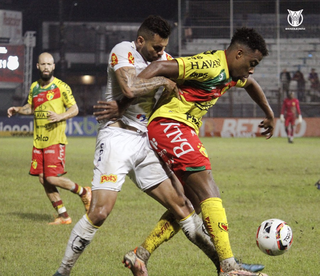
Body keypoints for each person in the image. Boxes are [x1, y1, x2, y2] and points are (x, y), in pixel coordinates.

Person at [54, 15, 256, 276]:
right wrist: (162, 80)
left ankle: (226, 267)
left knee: (184, 206)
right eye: (156, 48)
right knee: (100, 212)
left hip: (145, 140)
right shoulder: (123, 51)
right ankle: (63, 271)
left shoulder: (162, 60)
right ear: (140, 41)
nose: (161, 53)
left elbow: (186, 79)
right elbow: (129, 87)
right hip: (117, 136)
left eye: (163, 48)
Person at [99, 27, 273, 276]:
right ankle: (228, 267)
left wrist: (269, 113)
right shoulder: (209, 64)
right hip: (170, 126)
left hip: (182, 129)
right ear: (238, 54)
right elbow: (159, 68)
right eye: (251, 62)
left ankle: (140, 255)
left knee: (191, 202)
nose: (252, 68)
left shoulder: (232, 72)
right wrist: (123, 102)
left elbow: (251, 84)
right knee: (208, 188)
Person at [7, 52, 92, 225]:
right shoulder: (34, 87)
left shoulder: (61, 87)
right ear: (38, 66)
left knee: (52, 178)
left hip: (55, 140)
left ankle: (84, 192)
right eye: (43, 64)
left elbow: (74, 109)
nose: (46, 67)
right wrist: (18, 109)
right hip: (39, 141)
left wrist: (60, 116)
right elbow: (31, 108)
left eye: (49, 64)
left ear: (53, 66)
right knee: (42, 179)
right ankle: (63, 216)